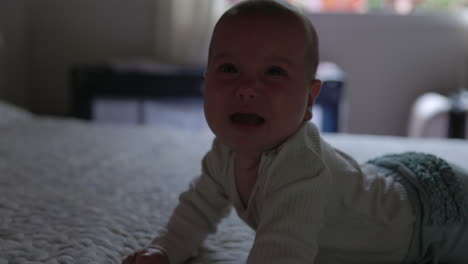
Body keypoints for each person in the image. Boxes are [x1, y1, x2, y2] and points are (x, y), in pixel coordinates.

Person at [122, 0, 468, 263]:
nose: (247, 88)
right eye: (229, 68)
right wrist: (163, 251)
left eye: (273, 72)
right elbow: (196, 210)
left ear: (309, 99)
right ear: (205, 81)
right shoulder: (224, 152)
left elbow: (281, 251)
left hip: (429, 220)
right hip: (391, 178)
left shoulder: (299, 166)